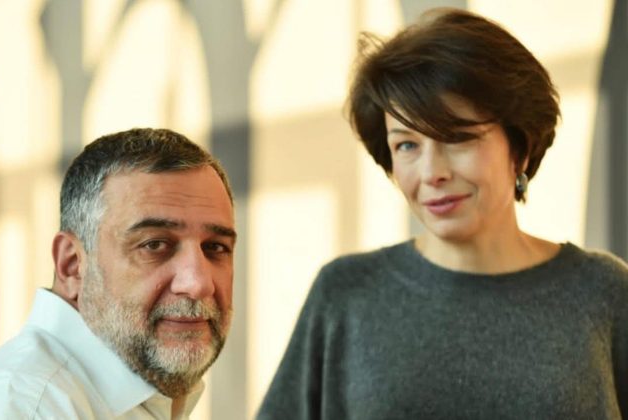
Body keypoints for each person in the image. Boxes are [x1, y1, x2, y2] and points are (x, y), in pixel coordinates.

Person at [257, 8, 628, 420]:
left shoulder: (605, 292)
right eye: (407, 145)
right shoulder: (345, 294)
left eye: (457, 138)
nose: (432, 172)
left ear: (520, 149)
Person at [0, 128, 237, 419]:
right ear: (72, 265)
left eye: (216, 247)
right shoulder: (29, 407)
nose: (198, 283)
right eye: (154, 245)